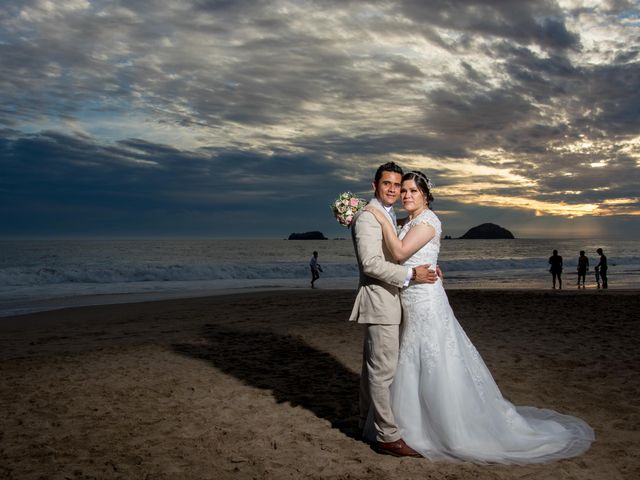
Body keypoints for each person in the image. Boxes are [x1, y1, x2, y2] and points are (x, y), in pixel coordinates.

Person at [363, 170, 594, 463]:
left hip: (426, 302)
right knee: (410, 362)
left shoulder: (429, 221)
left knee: (435, 362)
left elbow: (397, 253)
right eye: (404, 190)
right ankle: (405, 425)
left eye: (413, 191)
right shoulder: (406, 222)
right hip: (408, 299)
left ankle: (443, 430)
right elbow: (405, 252)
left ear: (425, 196)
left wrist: (375, 212)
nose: (406, 195)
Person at [349, 162, 440, 457]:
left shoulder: (391, 216)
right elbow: (371, 265)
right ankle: (387, 437)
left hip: (393, 301)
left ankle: (365, 423)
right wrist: (412, 275)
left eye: (398, 186)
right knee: (382, 372)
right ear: (374, 186)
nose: (394, 190)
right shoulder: (367, 217)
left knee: (372, 369)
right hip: (380, 301)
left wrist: (429, 266)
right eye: (387, 183)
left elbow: (405, 249)